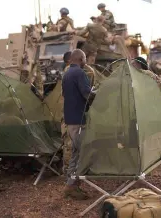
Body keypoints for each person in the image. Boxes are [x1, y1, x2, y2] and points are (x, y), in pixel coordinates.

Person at [62, 49, 94, 200]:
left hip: (70, 119)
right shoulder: (80, 73)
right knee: (82, 154)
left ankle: (70, 183)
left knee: (75, 153)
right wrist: (100, 94)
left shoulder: (66, 73)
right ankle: (72, 186)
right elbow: (87, 94)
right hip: (79, 119)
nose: (86, 60)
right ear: (81, 58)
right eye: (85, 58)